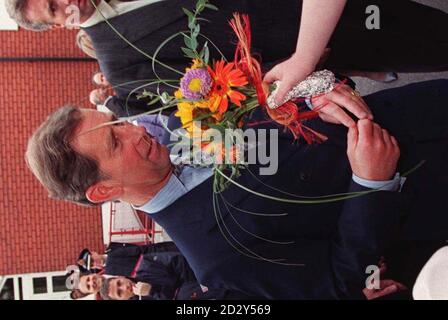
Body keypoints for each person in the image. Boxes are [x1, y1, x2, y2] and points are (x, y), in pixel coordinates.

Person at [25, 79, 448, 299]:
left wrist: (311, 95)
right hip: (429, 189)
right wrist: (371, 184)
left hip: (413, 110)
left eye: (117, 123)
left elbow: (274, 110)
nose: (134, 130)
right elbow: (338, 280)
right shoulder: (214, 257)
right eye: (116, 143)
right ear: (102, 190)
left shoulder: (186, 124)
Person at [6, 0, 448, 116]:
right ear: (57, 27)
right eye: (54, 10)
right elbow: (221, 98)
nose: (66, 2)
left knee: (417, 18)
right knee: (430, 46)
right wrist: (311, 74)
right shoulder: (123, 68)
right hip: (304, 44)